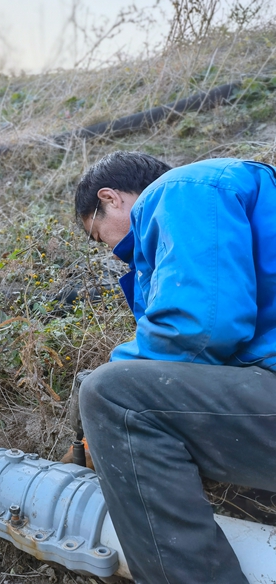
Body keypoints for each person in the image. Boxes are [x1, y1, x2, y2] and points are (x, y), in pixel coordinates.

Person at [73, 151, 276, 583]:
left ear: (110, 198)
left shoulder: (182, 189)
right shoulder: (228, 198)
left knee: (112, 396)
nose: (112, 253)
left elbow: (199, 328)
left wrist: (103, 391)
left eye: (98, 236)